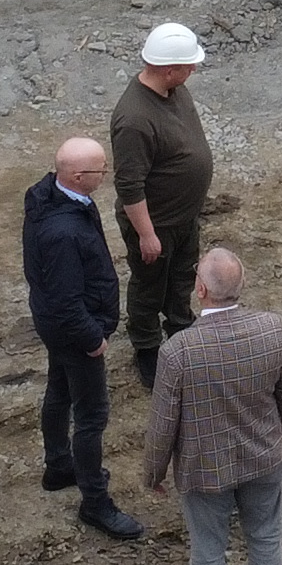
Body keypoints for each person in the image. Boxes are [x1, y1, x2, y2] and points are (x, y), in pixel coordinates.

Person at [145, 246, 282, 565]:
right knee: (265, 537)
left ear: (200, 290)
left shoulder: (179, 351)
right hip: (263, 456)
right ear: (241, 286)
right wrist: (276, 432)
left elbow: (162, 424)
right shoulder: (272, 330)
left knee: (209, 549)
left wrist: (154, 472)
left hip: (204, 468)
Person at [24, 136, 146, 541]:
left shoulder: (50, 196)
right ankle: (95, 502)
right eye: (100, 170)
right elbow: (66, 301)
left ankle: (59, 466)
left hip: (55, 326)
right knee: (92, 417)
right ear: (77, 176)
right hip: (74, 333)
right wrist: (94, 339)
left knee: (59, 390)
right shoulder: (64, 233)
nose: (106, 174)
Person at [108, 21, 216, 388]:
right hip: (155, 224)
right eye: (188, 65)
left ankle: (180, 327)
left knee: (182, 275)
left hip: (182, 217)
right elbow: (129, 185)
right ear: (169, 70)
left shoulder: (175, 90)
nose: (194, 69)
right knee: (149, 285)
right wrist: (146, 235)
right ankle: (147, 346)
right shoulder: (134, 119)